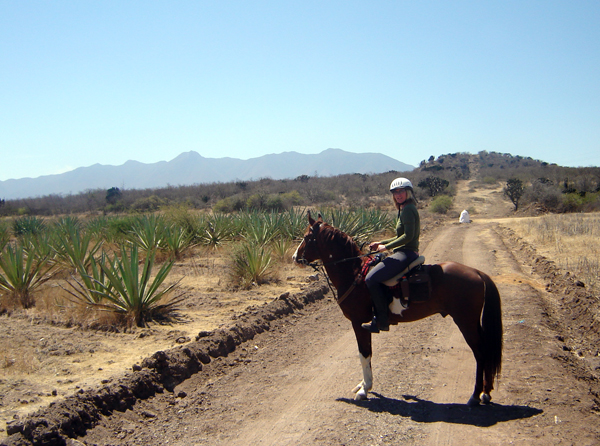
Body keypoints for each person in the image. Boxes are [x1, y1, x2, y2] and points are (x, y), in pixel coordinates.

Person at [362, 177, 421, 333]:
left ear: (408, 192)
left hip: (406, 253)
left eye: (401, 191)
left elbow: (408, 237)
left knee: (371, 279)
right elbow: (399, 236)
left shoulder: (408, 209)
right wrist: (380, 242)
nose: (398, 195)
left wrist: (385, 247)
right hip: (405, 251)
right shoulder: (405, 208)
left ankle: (381, 320)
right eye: (395, 192)